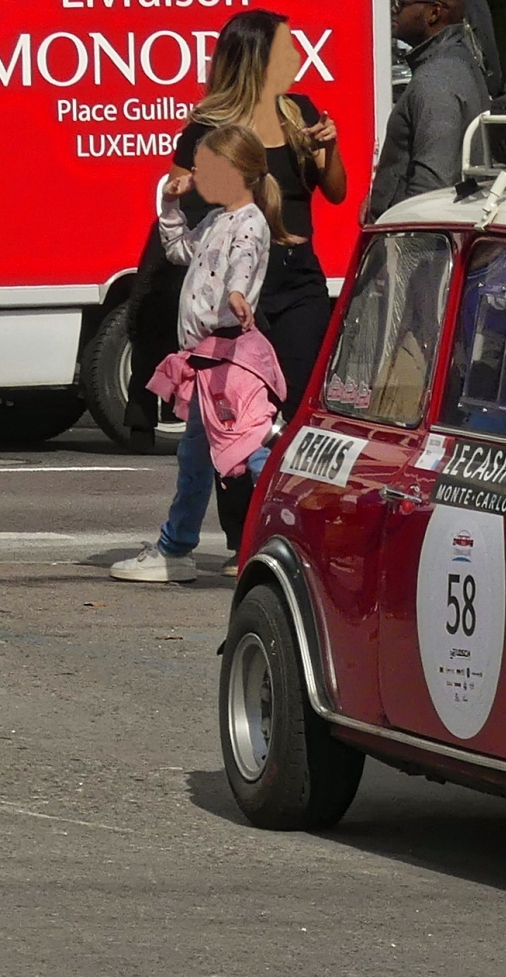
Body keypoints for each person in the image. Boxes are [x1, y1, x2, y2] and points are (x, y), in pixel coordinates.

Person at [127, 9, 347, 577]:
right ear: (259, 58)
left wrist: (331, 147)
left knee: (292, 413)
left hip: (296, 284)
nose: (299, 56)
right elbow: (189, 217)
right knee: (231, 419)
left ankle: (282, 533)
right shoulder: (209, 128)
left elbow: (337, 192)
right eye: (288, 47)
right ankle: (241, 541)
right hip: (235, 299)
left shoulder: (299, 113)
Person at [111, 127, 291, 584]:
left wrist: (235, 294)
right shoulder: (216, 221)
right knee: (198, 456)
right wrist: (170, 204)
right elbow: (176, 249)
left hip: (230, 365)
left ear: (239, 173)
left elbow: (244, 263)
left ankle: (295, 527)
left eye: (208, 168)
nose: (197, 176)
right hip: (206, 363)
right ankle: (177, 546)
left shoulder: (250, 222)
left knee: (248, 453)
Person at [367, 0, 491, 223]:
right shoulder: (457, 60)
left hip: (417, 243)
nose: (394, 9)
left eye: (401, 3)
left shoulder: (436, 79)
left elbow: (430, 188)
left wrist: (406, 249)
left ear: (433, 13)